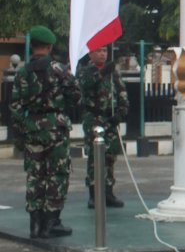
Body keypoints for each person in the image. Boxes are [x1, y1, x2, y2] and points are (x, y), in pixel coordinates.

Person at [9, 26, 81, 239]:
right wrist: (59, 109)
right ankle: (51, 223)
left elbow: (14, 105)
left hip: (32, 128)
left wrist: (25, 127)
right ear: (49, 46)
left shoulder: (22, 72)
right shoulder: (59, 68)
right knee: (57, 174)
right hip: (55, 127)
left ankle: (35, 224)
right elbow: (76, 96)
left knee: (35, 175)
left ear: (32, 46)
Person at [77, 45, 128, 208]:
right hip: (94, 118)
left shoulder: (113, 72)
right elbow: (84, 86)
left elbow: (121, 92)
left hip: (110, 118)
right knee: (95, 156)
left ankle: (108, 192)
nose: (102, 54)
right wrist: (101, 73)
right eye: (98, 51)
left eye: (105, 51)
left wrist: (121, 112)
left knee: (110, 155)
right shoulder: (86, 71)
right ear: (91, 54)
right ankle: (94, 193)